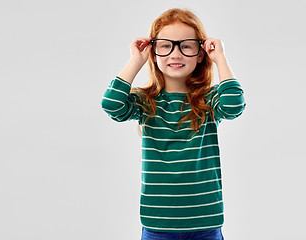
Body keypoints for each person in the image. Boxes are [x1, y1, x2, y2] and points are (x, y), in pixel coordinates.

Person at [101, 8, 246, 240]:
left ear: (200, 53)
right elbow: (111, 104)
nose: (175, 54)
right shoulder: (145, 101)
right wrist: (136, 60)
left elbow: (234, 105)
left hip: (205, 224)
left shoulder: (209, 100)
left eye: (186, 45)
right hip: (158, 226)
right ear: (154, 51)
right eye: (166, 45)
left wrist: (220, 58)